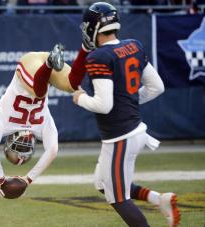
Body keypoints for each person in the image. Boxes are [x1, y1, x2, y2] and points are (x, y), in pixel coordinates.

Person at [72, 2, 180, 227]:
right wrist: (128, 101)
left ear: (93, 27)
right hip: (133, 130)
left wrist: (80, 98)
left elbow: (103, 105)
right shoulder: (134, 45)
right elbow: (156, 87)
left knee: (119, 200)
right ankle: (158, 199)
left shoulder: (99, 56)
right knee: (103, 184)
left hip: (120, 136)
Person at [0, 43, 89, 195]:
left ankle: (49, 63)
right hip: (41, 77)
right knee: (73, 85)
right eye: (24, 149)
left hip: (29, 64)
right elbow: (52, 150)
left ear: (9, 141)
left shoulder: (1, 120)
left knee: (39, 91)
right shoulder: (41, 124)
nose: (23, 145)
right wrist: (27, 179)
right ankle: (86, 48)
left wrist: (0, 178)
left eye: (18, 147)